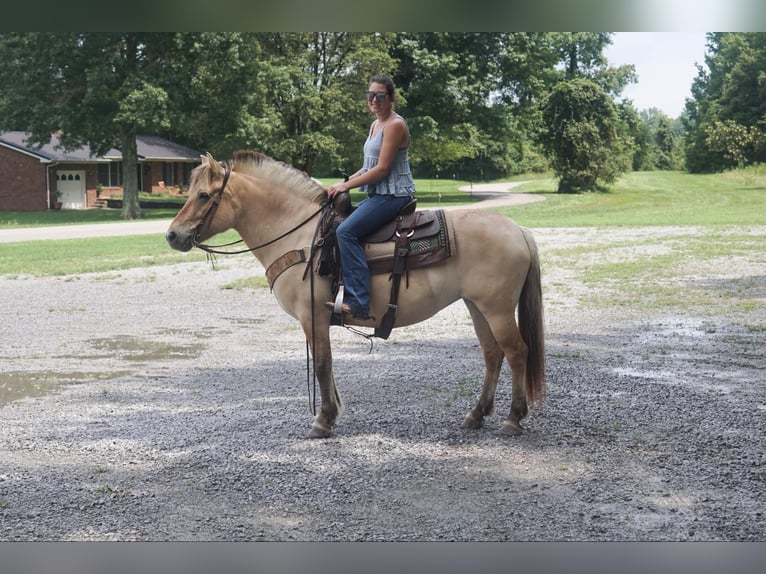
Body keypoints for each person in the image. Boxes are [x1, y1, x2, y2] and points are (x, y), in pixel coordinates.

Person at [325, 74, 416, 320]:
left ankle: (358, 302)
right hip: (380, 194)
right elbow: (368, 166)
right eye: (370, 95)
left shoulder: (395, 125)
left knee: (346, 232)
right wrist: (343, 184)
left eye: (379, 96)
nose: (373, 100)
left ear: (391, 98)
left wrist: (348, 187)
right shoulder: (375, 124)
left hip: (394, 195)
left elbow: (382, 169)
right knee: (334, 222)